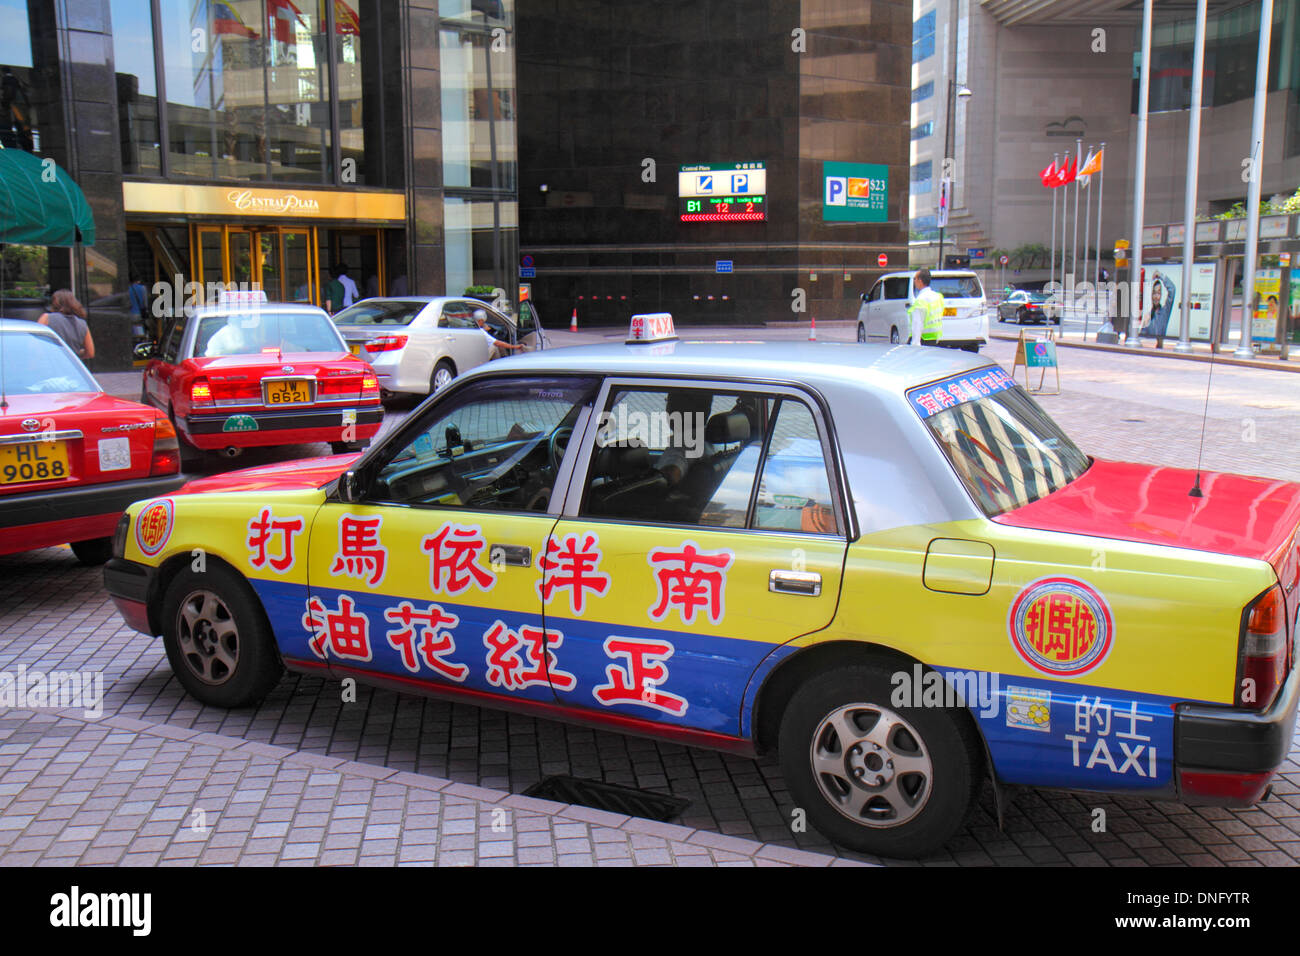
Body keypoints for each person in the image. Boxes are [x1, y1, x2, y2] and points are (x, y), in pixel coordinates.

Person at [38, 289, 94, 359]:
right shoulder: (83, 324)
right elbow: (90, 353)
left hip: (50, 362)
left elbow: (35, 343)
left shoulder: (46, 318)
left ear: (55, 303)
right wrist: (74, 353)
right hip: (70, 366)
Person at [907, 268, 944, 346]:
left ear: (920, 281)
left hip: (923, 338)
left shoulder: (921, 300)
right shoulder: (938, 296)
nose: (914, 281)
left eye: (915, 279)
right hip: (934, 337)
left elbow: (918, 322)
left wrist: (915, 343)